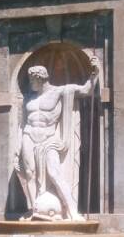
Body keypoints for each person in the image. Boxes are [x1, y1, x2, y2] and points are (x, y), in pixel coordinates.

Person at [15, 57, 99, 221]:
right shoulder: (28, 98)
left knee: (54, 172)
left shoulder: (61, 91)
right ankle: (35, 210)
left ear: (41, 79)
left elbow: (85, 90)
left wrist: (95, 73)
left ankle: (72, 210)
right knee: (30, 173)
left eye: (33, 80)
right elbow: (22, 123)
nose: (30, 83)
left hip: (49, 137)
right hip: (28, 134)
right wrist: (17, 147)